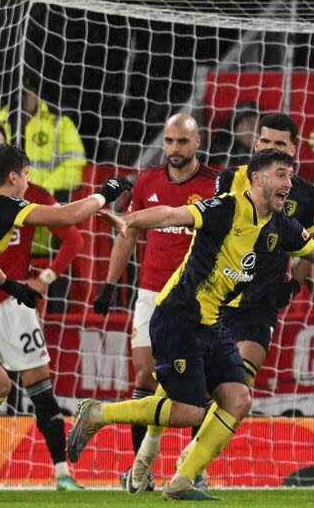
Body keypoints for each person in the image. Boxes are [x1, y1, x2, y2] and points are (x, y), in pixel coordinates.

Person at [67, 149, 314, 501]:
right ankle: (98, 413)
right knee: (190, 410)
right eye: (280, 175)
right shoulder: (229, 207)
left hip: (211, 323)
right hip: (179, 316)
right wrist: (133, 220)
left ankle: (181, 479)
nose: (289, 184)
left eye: (291, 175)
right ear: (256, 179)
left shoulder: (282, 226)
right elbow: (172, 215)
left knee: (238, 399)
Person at [124, 112, 314, 492]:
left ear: (293, 150)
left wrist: (293, 284)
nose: (268, 148)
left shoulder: (308, 196)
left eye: (279, 144)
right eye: (263, 142)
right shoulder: (231, 179)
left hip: (258, 303)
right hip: (217, 299)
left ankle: (190, 469)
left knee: (235, 391)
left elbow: (307, 254)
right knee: (179, 390)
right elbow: (218, 231)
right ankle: (146, 453)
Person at [0, 143, 131, 498]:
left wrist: (11, 285)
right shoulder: (0, 205)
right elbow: (67, 218)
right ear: (13, 177)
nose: (29, 181)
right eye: (27, 174)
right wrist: (103, 194)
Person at [92, 114, 219, 488]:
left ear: (197, 142)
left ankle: (194, 471)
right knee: (145, 376)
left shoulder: (215, 185)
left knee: (202, 384)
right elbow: (128, 235)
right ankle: (139, 471)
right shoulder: (147, 181)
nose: (174, 149)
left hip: (198, 296)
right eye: (168, 141)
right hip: (150, 293)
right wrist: (109, 284)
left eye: (182, 141)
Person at [0, 123, 84, 491]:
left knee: (35, 387)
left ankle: (62, 472)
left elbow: (71, 240)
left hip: (12, 305)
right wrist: (104, 196)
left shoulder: (28, 195)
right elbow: (71, 220)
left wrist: (38, 279)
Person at [0, 74, 87, 193]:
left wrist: (38, 191)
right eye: (19, 90)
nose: (23, 96)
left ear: (37, 91)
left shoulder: (60, 124)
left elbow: (73, 169)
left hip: (43, 202)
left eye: (28, 89)